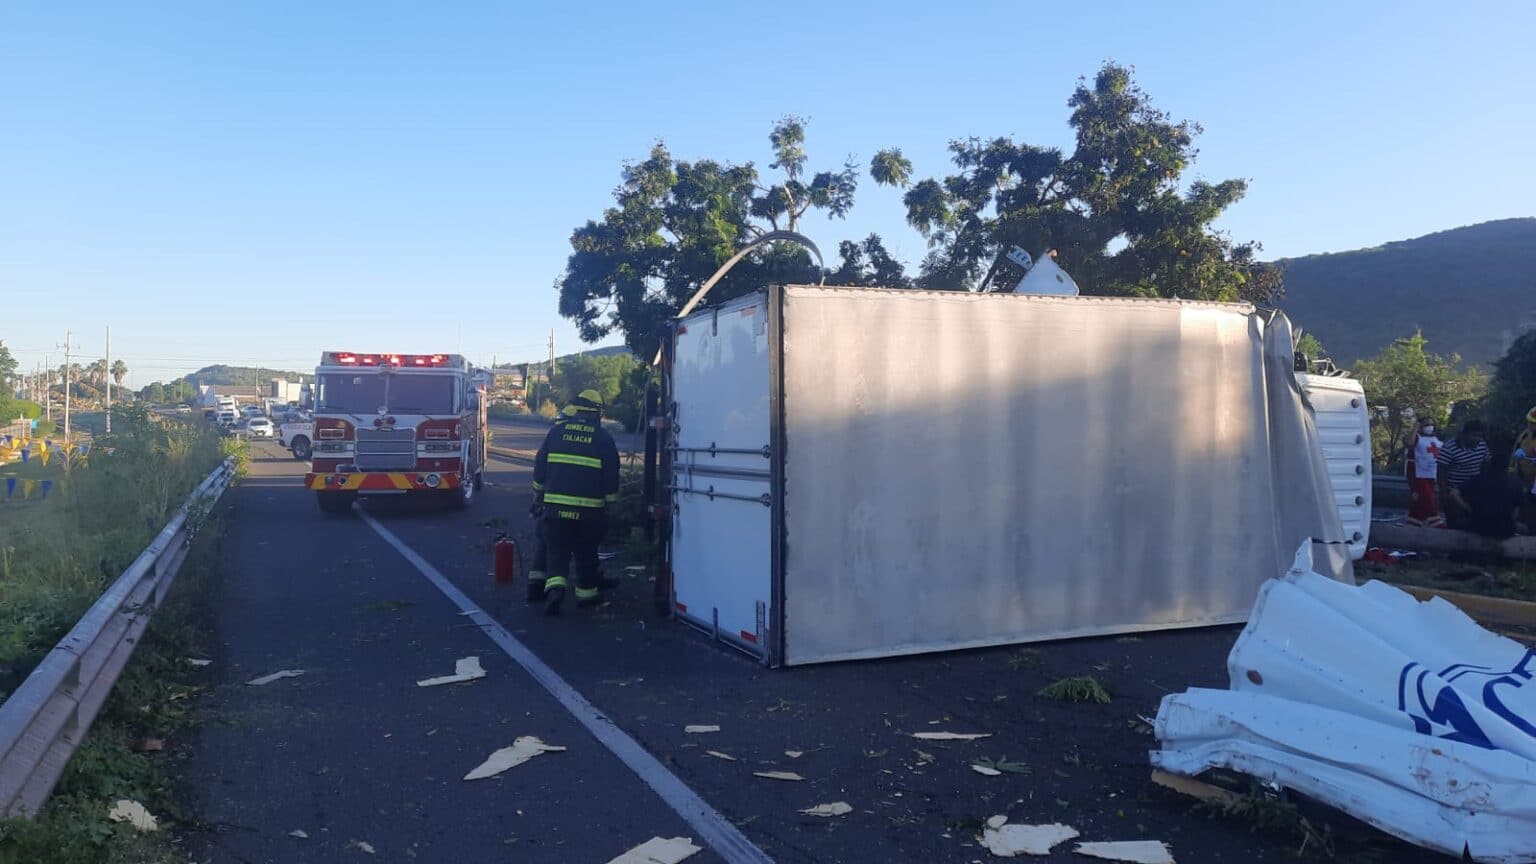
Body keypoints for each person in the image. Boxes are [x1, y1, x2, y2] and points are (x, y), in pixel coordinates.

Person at [531, 390, 620, 616]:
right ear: (596, 413)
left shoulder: (556, 432)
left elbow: (540, 467)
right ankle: (587, 596)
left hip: (556, 509)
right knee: (586, 553)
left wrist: (539, 494)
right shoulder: (603, 438)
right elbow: (611, 475)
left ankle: (555, 592)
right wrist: (611, 503)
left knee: (557, 553)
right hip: (590, 512)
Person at [1437, 420, 1491, 530]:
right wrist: (1443, 494)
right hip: (1453, 490)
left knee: (1473, 521)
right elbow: (1441, 471)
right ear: (1465, 434)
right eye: (1474, 435)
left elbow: (1487, 465)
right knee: (1454, 523)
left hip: (1474, 490)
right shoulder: (1449, 447)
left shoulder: (1482, 445)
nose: (1477, 439)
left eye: (1480, 436)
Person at [1458, 455, 1522, 541]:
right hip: (1505, 531)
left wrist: (1468, 508)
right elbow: (1516, 511)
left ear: (1490, 464)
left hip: (1477, 528)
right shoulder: (1515, 483)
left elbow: (1453, 494)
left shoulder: (1477, 479)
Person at [1404, 415, 1444, 527]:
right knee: (1426, 496)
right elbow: (1409, 443)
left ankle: (1414, 520)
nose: (1429, 427)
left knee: (1421, 498)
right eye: (1426, 424)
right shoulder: (1417, 438)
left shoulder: (1437, 441)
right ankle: (1434, 518)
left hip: (1432, 473)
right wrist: (1416, 427)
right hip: (1418, 473)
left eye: (1431, 424)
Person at [1511, 406, 1536, 532]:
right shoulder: (1525, 434)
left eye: (1533, 424)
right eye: (1530, 422)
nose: (1530, 426)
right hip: (1521, 480)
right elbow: (1515, 452)